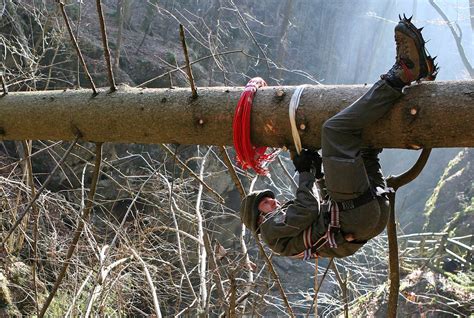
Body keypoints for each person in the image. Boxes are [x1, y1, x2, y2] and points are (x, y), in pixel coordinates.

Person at [240, 16, 438, 259]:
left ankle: (416, 85)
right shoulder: (270, 228)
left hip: (367, 217)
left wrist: (321, 176)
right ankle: (403, 73)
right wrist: (305, 173)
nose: (273, 202)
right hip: (355, 215)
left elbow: (319, 215)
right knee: (334, 132)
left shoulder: (281, 237)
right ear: (257, 216)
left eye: (269, 200)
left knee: (364, 146)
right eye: (266, 203)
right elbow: (308, 208)